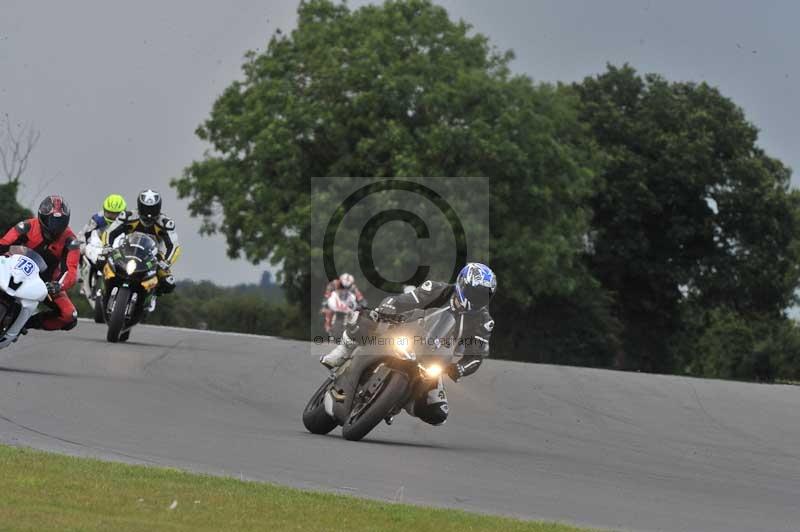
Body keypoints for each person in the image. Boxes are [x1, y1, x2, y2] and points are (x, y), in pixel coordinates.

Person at [320, 262, 497, 426]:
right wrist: (389, 308)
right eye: (475, 292)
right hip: (406, 331)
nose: (477, 298)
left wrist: (459, 369)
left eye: (484, 295)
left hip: (433, 357)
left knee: (438, 414)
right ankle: (341, 351)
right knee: (368, 317)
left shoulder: (483, 321)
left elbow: (476, 356)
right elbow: (407, 299)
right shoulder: (437, 289)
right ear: (462, 284)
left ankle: (396, 403)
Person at [0, 195, 80, 332]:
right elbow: (4, 243)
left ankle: (25, 324)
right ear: (41, 216)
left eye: (59, 222)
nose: (55, 227)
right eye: (51, 221)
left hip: (46, 283)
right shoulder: (26, 226)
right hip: (13, 269)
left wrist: (59, 285)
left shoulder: (71, 241)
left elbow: (71, 271)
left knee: (69, 316)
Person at [104, 189, 180, 300]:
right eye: (145, 210)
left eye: (152, 210)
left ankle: (151, 297)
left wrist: (166, 262)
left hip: (153, 256)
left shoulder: (166, 223)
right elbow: (109, 232)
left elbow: (174, 246)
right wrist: (107, 247)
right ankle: (102, 291)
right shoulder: (128, 216)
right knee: (101, 260)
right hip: (127, 250)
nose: (148, 216)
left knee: (169, 282)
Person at [78, 194, 128, 298]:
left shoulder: (127, 221)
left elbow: (131, 237)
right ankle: (82, 279)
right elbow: (84, 233)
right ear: (104, 210)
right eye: (109, 213)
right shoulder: (97, 219)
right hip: (99, 245)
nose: (112, 217)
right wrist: (81, 245)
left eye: (116, 214)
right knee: (81, 251)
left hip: (116, 248)